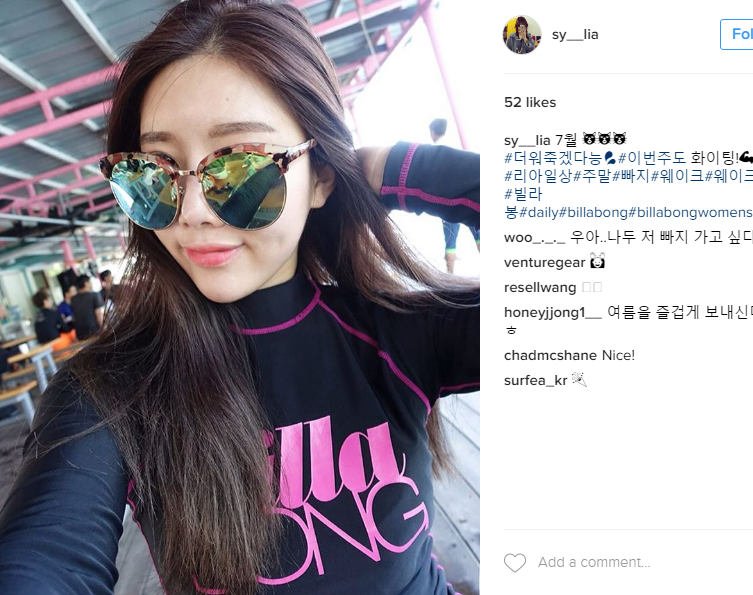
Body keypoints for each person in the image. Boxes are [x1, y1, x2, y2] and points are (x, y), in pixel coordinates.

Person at [0, 2, 479, 595]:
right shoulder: (112, 391)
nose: (193, 212)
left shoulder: (396, 334)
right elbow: (42, 560)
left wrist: (395, 167)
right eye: (156, 172)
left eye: (240, 169)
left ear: (321, 176)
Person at [430, 118, 480, 274]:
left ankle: (450, 275)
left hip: (449, 203)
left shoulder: (436, 151)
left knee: (450, 242)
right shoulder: (457, 146)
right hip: (467, 199)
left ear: (432, 131)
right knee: (478, 235)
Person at [69, 275, 104, 340]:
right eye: (90, 281)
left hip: (80, 334)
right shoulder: (94, 295)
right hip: (94, 331)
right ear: (86, 283)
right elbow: (99, 314)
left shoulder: (73, 299)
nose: (91, 283)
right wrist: (104, 329)